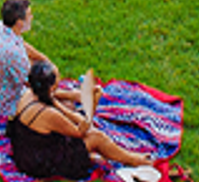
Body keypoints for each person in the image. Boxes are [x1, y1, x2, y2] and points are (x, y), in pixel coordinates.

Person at [10, 61, 155, 177]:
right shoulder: (47, 114)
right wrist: (90, 107)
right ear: (50, 87)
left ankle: (98, 153)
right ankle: (133, 159)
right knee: (96, 137)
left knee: (68, 104)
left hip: (28, 148)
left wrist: (76, 95)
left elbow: (55, 96)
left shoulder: (29, 93)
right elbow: (80, 131)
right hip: (40, 161)